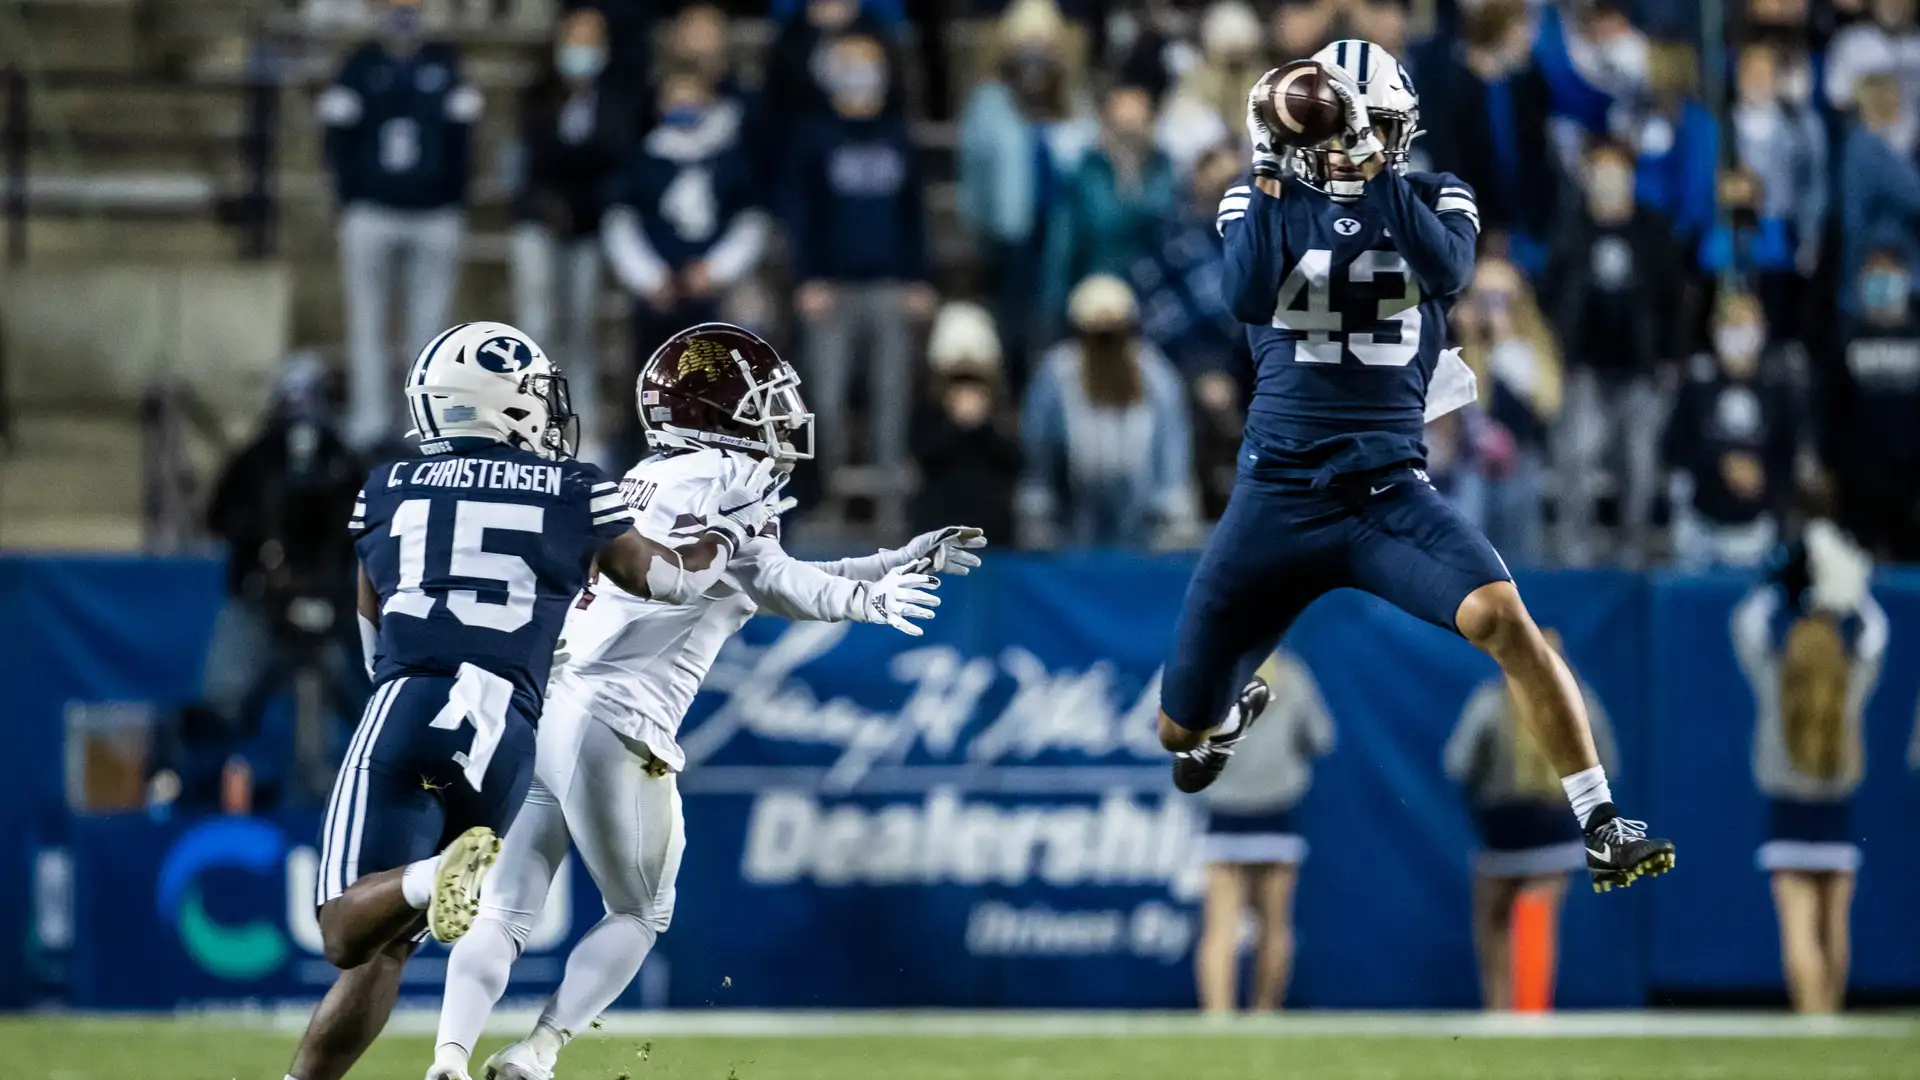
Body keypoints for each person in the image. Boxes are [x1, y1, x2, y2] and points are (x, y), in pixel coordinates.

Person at [1157, 40, 1674, 895]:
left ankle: (1601, 821)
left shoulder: (1435, 195)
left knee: (1503, 619)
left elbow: (1448, 269)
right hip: (1277, 496)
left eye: (1389, 126)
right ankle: (1222, 720)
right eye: (1364, 125)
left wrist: (1373, 175)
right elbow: (1245, 296)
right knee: (1179, 734)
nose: (1379, 141)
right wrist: (1272, 159)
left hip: (1388, 491)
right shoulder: (1260, 195)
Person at [426, 324, 982, 1080]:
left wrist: (889, 562)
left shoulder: (649, 476)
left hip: (550, 708)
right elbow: (782, 584)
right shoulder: (732, 475)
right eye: (764, 402)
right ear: (718, 412)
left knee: (505, 911)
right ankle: (536, 1054)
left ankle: (448, 1061)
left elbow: (757, 576)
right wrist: (867, 599)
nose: (782, 415)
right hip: (618, 723)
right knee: (641, 913)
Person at [281, 322, 782, 1080]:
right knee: (389, 946)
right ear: (505, 403)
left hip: (413, 701)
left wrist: (396, 704)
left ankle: (430, 877)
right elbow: (669, 579)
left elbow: (371, 622)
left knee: (345, 929)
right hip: (511, 734)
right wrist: (725, 539)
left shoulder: (387, 486)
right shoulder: (574, 489)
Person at [1731, 522, 1887, 1014]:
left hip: (1788, 818)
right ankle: (1832, 1015)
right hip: (1836, 816)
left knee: (1797, 926)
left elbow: (1747, 627)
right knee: (1834, 923)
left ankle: (1811, 1020)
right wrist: (1850, 591)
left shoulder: (1776, 680)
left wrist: (1775, 586)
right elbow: (1878, 636)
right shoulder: (1850, 685)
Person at [785, 31, 936, 530]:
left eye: (869, 62)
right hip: (832, 288)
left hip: (890, 286)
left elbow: (915, 214)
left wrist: (918, 277)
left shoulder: (898, 134)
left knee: (891, 399)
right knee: (823, 400)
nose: (860, 73)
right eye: (850, 63)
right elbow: (801, 216)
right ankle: (822, 502)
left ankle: (892, 509)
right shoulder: (812, 135)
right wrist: (807, 278)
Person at [201, 356, 369, 804]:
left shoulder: (344, 461)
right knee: (225, 702)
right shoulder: (256, 459)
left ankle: (325, 787)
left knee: (353, 687)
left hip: (329, 598)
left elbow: (369, 528)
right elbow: (217, 519)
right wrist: (264, 539)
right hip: (259, 596)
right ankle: (209, 787)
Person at [319, 0, 484, 450]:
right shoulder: (359, 64)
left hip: (435, 213)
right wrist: (350, 196)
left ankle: (421, 420)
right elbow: (335, 137)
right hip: (372, 210)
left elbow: (466, 137)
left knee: (428, 327)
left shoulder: (445, 63)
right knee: (367, 320)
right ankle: (369, 421)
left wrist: (453, 195)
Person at [601, 63, 767, 457]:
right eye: (675, 98)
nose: (684, 105)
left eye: (693, 98)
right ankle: (644, 460)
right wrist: (649, 276)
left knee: (720, 383)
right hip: (658, 294)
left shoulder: (729, 159)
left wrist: (717, 269)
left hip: (713, 292)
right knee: (651, 381)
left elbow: (751, 221)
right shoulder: (644, 157)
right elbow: (620, 222)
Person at [1445, 629, 1615, 1011]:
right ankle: (1533, 1009)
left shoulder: (1489, 703)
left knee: (1493, 922)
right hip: (1558, 828)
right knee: (1539, 916)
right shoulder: (1582, 704)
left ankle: (1498, 1007)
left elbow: (1458, 765)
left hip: (1503, 830)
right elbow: (1606, 764)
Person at [1543, 136, 1685, 567]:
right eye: (1598, 169)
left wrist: (1671, 356)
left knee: (1640, 469)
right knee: (1576, 462)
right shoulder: (1570, 227)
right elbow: (1552, 295)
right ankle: (1576, 558)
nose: (1607, 179)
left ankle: (1631, 557)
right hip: (1584, 367)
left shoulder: (1652, 229)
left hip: (1640, 368)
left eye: (1616, 169)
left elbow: (1675, 297)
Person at [512, 7, 631, 467]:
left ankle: (582, 429)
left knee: (581, 332)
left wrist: (579, 195)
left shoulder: (614, 100)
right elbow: (531, 162)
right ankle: (531, 424)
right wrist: (550, 201)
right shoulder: (538, 94)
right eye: (574, 39)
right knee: (537, 328)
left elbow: (613, 160)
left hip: (587, 227)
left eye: (591, 40)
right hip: (538, 223)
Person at [957, 0, 1097, 388]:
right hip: (1009, 234)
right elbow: (974, 171)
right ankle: (1014, 399)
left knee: (1056, 324)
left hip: (1063, 233)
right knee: (1013, 327)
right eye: (1025, 44)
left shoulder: (1074, 103)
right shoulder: (989, 101)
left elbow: (1087, 162)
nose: (1034, 57)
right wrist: (976, 229)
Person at [1191, 651, 1334, 1013]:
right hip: (1276, 814)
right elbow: (1321, 739)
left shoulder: (1212, 676)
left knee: (1220, 927)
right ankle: (1265, 1014)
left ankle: (1217, 1017)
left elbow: (1183, 738)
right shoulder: (1293, 676)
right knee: (1275, 926)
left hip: (1224, 814)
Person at [1019, 274, 1196, 548]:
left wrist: (1174, 519)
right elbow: (1038, 455)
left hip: (1143, 529)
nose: (1106, 346)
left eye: (1113, 333)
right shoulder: (1056, 376)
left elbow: (1172, 450)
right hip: (1074, 525)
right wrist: (1037, 518)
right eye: (1097, 334)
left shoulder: (1155, 376)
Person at [1412, 0, 1560, 271]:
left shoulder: (1526, 82)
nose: (1530, 34)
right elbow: (1452, 164)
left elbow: (1537, 158)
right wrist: (1486, 226)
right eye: (1521, 25)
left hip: (1527, 224)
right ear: (1499, 28)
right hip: (1475, 228)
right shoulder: (1451, 86)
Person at [1662, 292, 1801, 570]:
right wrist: (1721, 464)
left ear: (1761, 330)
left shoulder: (1775, 389)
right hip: (1700, 526)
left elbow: (1787, 453)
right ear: (1715, 329)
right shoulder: (1697, 386)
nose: (1739, 334)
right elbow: (1673, 448)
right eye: (1731, 324)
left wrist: (1762, 479)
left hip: (1754, 529)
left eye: (1747, 325)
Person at [1041, 85, 1178, 340]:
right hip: (1097, 302)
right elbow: (1061, 249)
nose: (1128, 138)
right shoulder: (1084, 173)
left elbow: (1170, 227)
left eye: (1136, 127)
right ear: (1105, 127)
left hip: (1159, 305)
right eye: (1120, 128)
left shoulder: (1166, 170)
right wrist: (1056, 311)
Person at [1453, 255, 1560, 568]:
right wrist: (1470, 334)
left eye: (1502, 298)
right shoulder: (1459, 341)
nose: (1493, 307)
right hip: (1471, 463)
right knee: (1471, 552)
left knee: (1519, 555)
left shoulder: (1532, 343)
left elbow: (1546, 402)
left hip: (1520, 460)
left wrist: (1502, 338)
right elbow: (1470, 403)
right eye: (1486, 298)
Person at [1829, 248, 1920, 559]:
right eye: (1873, 277)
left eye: (1889, 276)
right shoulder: (1847, 337)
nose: (1882, 285)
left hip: (1911, 482)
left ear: (1906, 281)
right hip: (1859, 481)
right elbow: (1833, 408)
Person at [913, 302, 1023, 543]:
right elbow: (924, 458)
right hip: (939, 529)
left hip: (992, 532)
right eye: (956, 379)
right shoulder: (927, 408)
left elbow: (1014, 462)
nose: (966, 390)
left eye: (975, 379)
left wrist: (982, 426)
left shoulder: (1002, 411)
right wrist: (955, 426)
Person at [1839, 72, 1920, 315]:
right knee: (1880, 342)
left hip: (1880, 261)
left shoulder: (1867, 143)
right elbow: (1914, 195)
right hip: (1878, 263)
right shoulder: (1868, 147)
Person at [1824, 0, 1920, 154]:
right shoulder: (1850, 41)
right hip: (1865, 150)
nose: (1894, 5)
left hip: (1912, 152)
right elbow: (1837, 101)